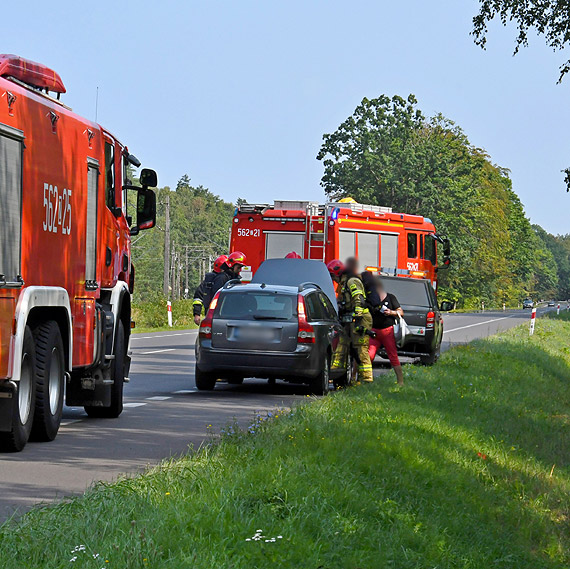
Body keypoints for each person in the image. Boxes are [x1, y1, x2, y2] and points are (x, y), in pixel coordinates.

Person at [327, 259, 374, 383]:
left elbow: (359, 299)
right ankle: (335, 374)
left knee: (360, 348)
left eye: (332, 275)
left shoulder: (352, 281)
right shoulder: (343, 284)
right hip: (350, 319)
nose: (333, 279)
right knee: (342, 344)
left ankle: (367, 379)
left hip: (361, 319)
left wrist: (358, 318)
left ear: (337, 273)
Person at [368, 279, 404, 386]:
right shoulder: (371, 299)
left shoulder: (391, 297)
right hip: (374, 331)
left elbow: (401, 312)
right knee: (369, 355)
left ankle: (400, 382)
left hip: (387, 331)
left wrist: (391, 312)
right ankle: (364, 379)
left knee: (393, 356)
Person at [192, 254, 228, 325]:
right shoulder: (210, 282)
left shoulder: (210, 281)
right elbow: (198, 298)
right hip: (216, 314)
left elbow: (198, 297)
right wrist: (197, 314)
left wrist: (197, 314)